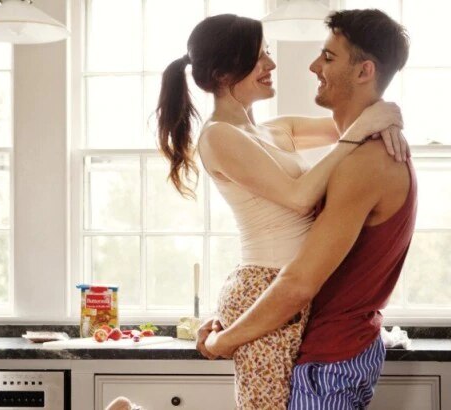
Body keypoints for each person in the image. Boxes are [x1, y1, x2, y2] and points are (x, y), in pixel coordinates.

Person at [156, 13, 407, 410]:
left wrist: (387, 114)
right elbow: (299, 196)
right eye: (259, 58)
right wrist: (363, 129)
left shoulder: (275, 130)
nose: (271, 65)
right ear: (224, 74)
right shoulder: (219, 136)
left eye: (267, 54)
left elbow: (353, 115)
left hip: (290, 293)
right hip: (266, 286)